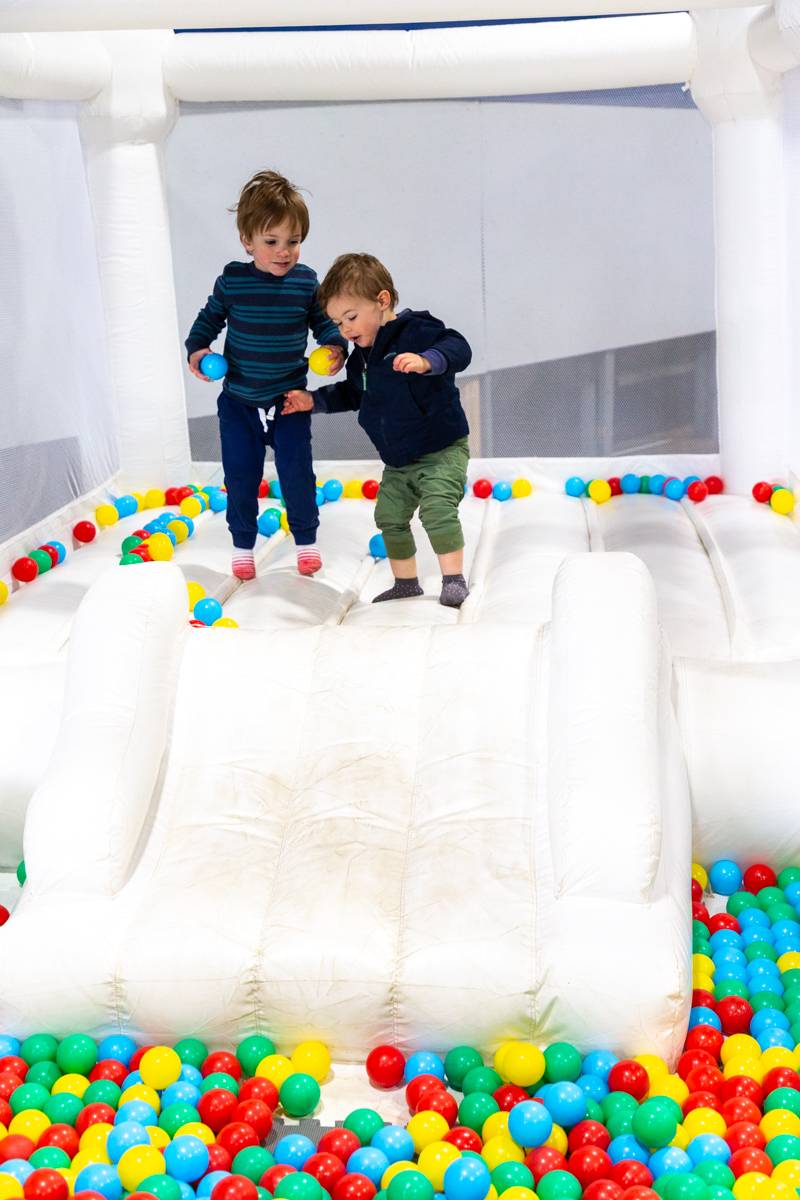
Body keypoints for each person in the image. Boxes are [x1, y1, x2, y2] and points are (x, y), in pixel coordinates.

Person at [283, 253, 472, 607]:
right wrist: (312, 401)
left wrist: (428, 360)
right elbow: (353, 394)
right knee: (388, 516)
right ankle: (406, 582)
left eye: (351, 317)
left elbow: (458, 347)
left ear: (382, 301)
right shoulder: (359, 360)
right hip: (398, 459)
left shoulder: (416, 330)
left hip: (441, 448)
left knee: (436, 509)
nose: (346, 330)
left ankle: (453, 579)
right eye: (338, 323)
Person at [185, 170, 347, 579]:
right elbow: (209, 320)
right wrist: (198, 350)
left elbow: (323, 324)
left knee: (297, 471)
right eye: (271, 242)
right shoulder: (233, 281)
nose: (283, 252)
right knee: (241, 474)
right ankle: (243, 544)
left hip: (288, 400)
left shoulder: (306, 281)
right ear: (248, 242)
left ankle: (306, 541)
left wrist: (335, 347)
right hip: (239, 401)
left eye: (293, 242)